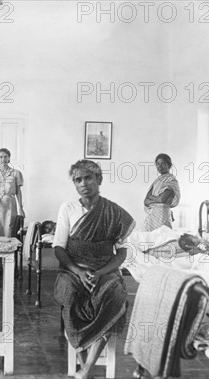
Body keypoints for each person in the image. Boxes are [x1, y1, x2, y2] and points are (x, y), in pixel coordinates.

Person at [53, 160, 135, 379]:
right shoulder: (68, 208)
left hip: (104, 270)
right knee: (70, 295)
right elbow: (59, 247)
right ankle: (81, 361)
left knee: (113, 295)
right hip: (72, 270)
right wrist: (78, 271)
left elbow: (122, 252)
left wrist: (99, 273)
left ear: (99, 179)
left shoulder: (113, 211)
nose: (83, 183)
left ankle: (87, 368)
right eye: (78, 180)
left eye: (88, 177)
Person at [0, 148, 25, 275]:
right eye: (0, 157)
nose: (3, 159)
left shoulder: (16, 173)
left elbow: (18, 192)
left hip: (9, 205)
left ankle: (9, 265)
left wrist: (21, 208)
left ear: (9, 158)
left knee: (9, 233)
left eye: (5, 157)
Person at [143, 153, 180, 231]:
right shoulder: (157, 181)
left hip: (162, 216)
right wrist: (156, 199)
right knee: (150, 240)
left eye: (163, 163)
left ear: (169, 165)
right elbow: (146, 201)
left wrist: (151, 198)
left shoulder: (171, 180)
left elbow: (161, 199)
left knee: (163, 239)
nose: (160, 166)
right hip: (152, 217)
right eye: (158, 164)